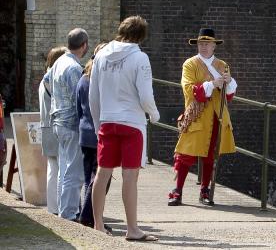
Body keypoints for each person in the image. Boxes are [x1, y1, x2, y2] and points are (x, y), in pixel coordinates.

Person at [89, 15, 159, 241]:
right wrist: (154, 114)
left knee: (102, 173)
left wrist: (98, 121)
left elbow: (94, 95)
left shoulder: (100, 55)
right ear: (141, 36)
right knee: (130, 177)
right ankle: (132, 229)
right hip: (132, 123)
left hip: (107, 121)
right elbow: (146, 95)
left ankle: (98, 224)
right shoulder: (140, 58)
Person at [168, 28, 237, 206]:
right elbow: (189, 89)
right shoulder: (190, 64)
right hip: (196, 116)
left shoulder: (223, 65)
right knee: (185, 154)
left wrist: (229, 82)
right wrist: (212, 84)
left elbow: (228, 97)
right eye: (201, 43)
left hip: (216, 117)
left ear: (214, 45)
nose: (204, 46)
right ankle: (178, 190)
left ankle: (204, 190)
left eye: (207, 43)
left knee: (210, 156)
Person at [46, 28, 88, 221]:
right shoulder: (73, 67)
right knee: (74, 172)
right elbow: (79, 97)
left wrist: (57, 101)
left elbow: (46, 81)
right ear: (84, 45)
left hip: (57, 121)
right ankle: (69, 214)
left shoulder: (59, 62)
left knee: (64, 169)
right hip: (71, 124)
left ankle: (64, 210)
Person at [76, 42, 112, 231]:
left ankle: (87, 213)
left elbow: (78, 108)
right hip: (99, 133)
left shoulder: (83, 79)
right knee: (100, 178)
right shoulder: (102, 81)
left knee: (88, 176)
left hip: (84, 132)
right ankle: (88, 218)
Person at [38, 46, 67, 214]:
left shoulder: (44, 79)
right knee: (60, 168)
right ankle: (59, 207)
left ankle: (52, 207)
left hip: (45, 125)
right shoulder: (54, 79)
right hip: (55, 125)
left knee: (52, 168)